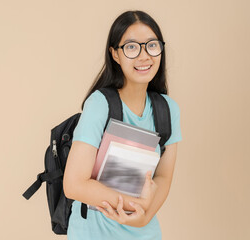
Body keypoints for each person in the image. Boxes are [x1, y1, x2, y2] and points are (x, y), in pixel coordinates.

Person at [63, 10, 182, 240]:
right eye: (131, 47)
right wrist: (137, 205)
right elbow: (74, 184)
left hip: (144, 233)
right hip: (93, 233)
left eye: (151, 45)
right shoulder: (100, 104)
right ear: (115, 55)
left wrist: (144, 218)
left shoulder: (168, 109)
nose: (144, 56)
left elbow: (164, 177)